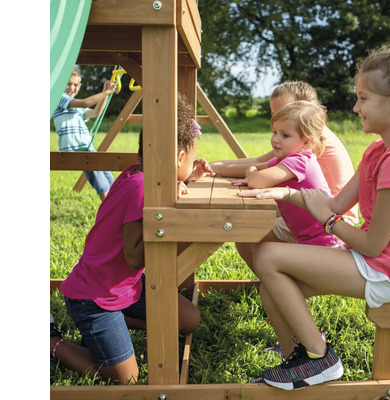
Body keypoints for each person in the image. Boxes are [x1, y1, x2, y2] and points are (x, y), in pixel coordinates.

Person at [237, 26, 390, 390]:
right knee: (271, 283)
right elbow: (334, 203)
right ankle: (299, 361)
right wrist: (284, 195)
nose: (355, 107)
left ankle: (320, 358)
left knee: (267, 255)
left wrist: (328, 220)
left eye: (363, 99)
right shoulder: (378, 150)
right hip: (373, 261)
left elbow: (371, 243)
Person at [59, 94, 213, 384]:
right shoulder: (140, 187)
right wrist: (174, 217)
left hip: (125, 287)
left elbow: (162, 188)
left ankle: (113, 326)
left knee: (189, 319)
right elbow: (134, 256)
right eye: (191, 161)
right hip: (94, 297)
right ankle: (53, 341)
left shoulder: (141, 172)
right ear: (179, 157)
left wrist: (187, 179)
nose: (191, 166)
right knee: (125, 378)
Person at [211, 81, 357, 269]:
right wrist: (213, 166)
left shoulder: (304, 149)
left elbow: (257, 173)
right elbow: (259, 163)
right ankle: (276, 282)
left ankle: (274, 282)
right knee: (250, 224)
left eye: (286, 111)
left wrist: (241, 171)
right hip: (314, 220)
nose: (276, 135)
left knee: (247, 229)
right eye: (274, 117)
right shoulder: (297, 139)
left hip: (329, 226)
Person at [232, 100, 341, 251]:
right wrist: (213, 168)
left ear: (306, 143)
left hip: (324, 242)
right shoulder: (284, 160)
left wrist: (250, 171)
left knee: (256, 244)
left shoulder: (300, 161)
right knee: (247, 236)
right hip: (307, 238)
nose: (275, 139)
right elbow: (252, 171)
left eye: (285, 135)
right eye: (275, 132)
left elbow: (256, 181)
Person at [52, 66, 116, 201]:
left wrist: (104, 94)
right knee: (100, 181)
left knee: (109, 179)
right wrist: (106, 93)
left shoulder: (76, 109)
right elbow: (84, 102)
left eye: (75, 84)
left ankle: (115, 204)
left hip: (87, 149)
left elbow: (95, 112)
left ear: (80, 86)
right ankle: (109, 208)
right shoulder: (59, 99)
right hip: (75, 150)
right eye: (68, 83)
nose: (72, 87)